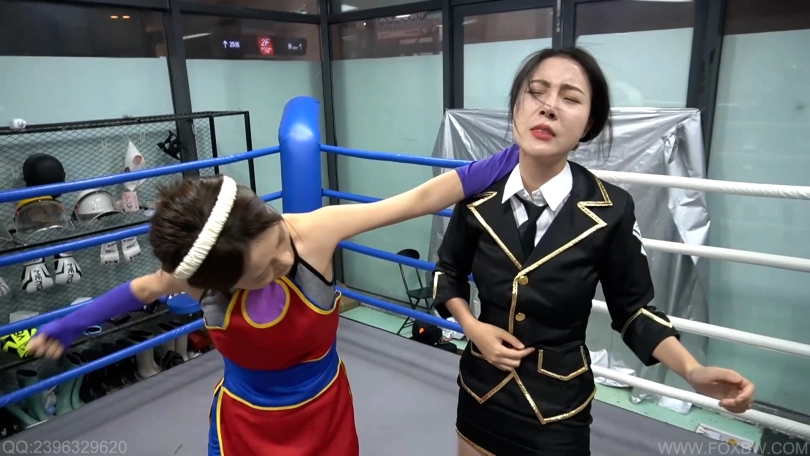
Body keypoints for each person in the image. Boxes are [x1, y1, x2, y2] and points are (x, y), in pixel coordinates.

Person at [24, 149, 510, 456]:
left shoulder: (313, 234)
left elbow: (416, 200)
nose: (282, 259)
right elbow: (144, 289)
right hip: (244, 425)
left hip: (324, 416)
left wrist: (517, 155)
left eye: (277, 240)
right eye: (261, 272)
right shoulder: (198, 280)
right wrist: (71, 324)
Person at [431, 47, 756, 456]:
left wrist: (692, 370)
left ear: (589, 124)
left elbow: (633, 311)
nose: (549, 107)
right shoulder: (478, 195)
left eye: (570, 98)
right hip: (481, 390)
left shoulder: (611, 209)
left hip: (558, 407)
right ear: (515, 106)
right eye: (536, 92)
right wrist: (471, 327)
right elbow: (448, 272)